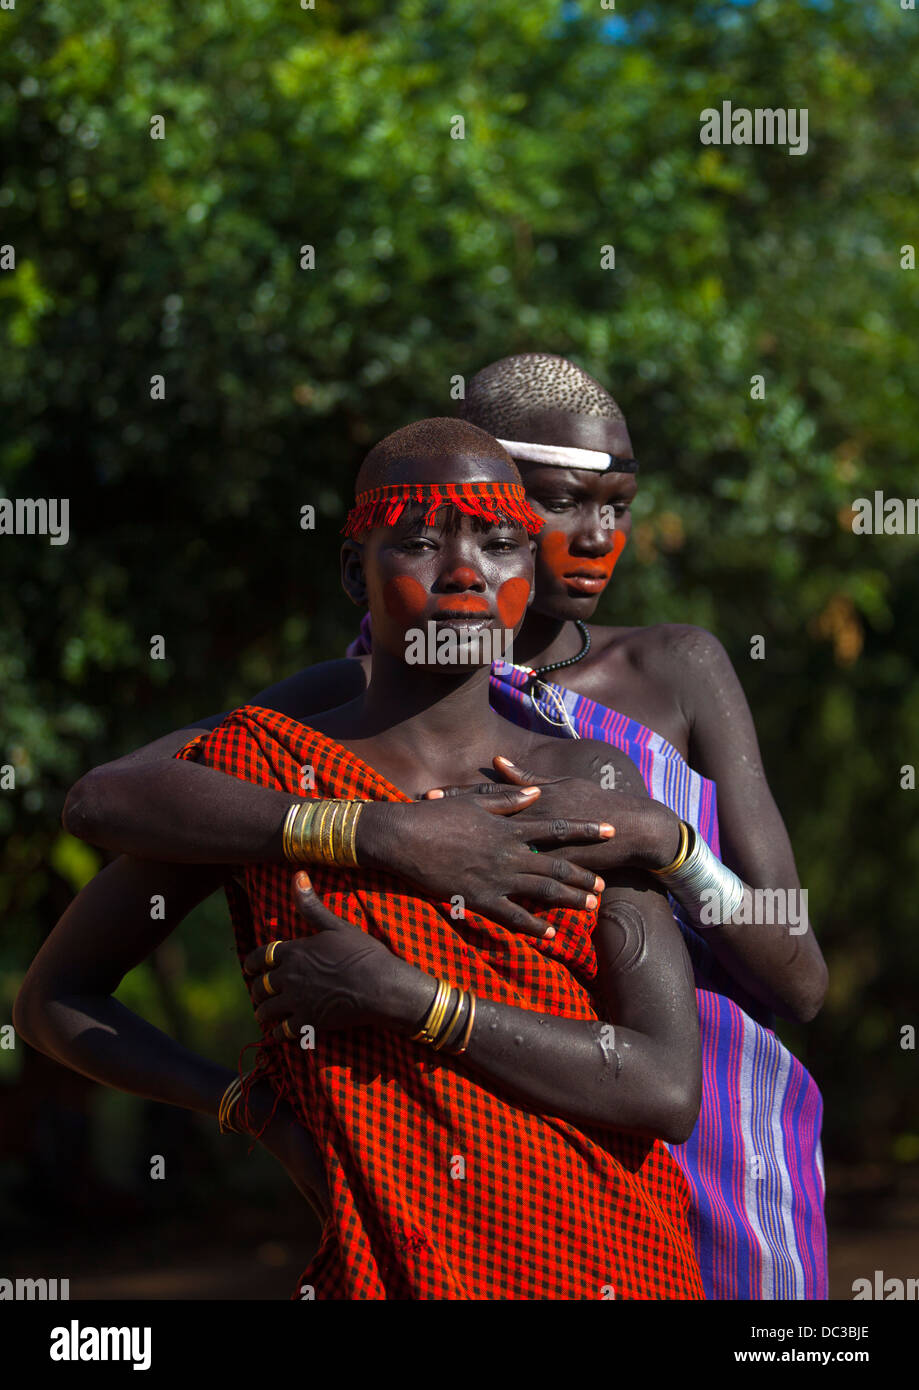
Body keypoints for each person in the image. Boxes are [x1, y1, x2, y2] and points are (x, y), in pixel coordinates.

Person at [61, 356, 829, 1300]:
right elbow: (113, 799)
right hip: (433, 1189)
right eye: (558, 501)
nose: (593, 537)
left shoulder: (660, 687)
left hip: (706, 1134)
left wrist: (668, 845)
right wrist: (375, 836)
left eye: (617, 506)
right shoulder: (320, 721)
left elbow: (787, 987)